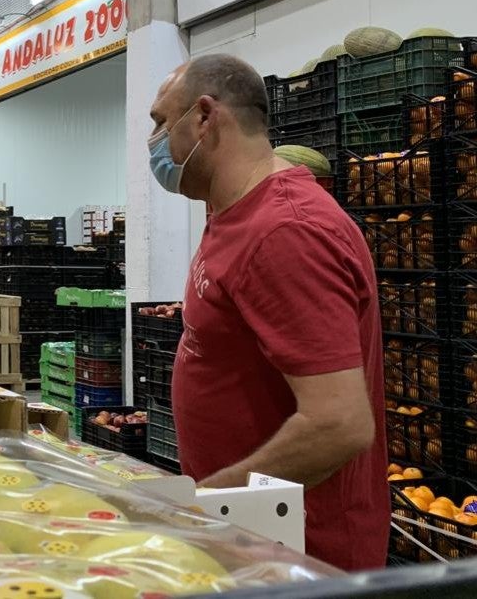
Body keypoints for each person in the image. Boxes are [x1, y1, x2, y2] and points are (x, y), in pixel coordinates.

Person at [147, 55, 388, 571]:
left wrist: (202, 500)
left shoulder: (285, 232)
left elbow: (340, 424)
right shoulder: (229, 210)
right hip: (246, 535)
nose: (154, 141)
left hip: (301, 552)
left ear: (206, 117)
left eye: (161, 122)